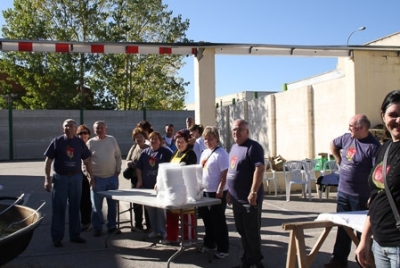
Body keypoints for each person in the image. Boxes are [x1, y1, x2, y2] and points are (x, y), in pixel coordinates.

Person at [324, 114, 381, 268]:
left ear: (362, 127)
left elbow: (377, 173)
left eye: (351, 126)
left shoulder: (374, 146)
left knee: (362, 232)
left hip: (361, 195)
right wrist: (338, 160)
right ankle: (339, 260)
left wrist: (373, 195)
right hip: (343, 192)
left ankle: (365, 262)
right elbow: (333, 144)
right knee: (342, 227)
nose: (349, 128)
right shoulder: (347, 138)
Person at [356, 90, 400, 268]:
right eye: (393, 115)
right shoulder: (385, 149)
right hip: (380, 243)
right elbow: (376, 197)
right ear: (383, 116)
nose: (398, 120)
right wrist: (364, 239)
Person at [44, 119, 93, 247]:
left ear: (75, 128)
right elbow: (48, 161)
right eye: (66, 126)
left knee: (75, 207)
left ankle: (75, 235)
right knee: (59, 207)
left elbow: (87, 161)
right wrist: (47, 179)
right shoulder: (57, 142)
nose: (68, 128)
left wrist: (92, 177)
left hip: (76, 178)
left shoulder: (79, 143)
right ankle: (57, 237)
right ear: (63, 128)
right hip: (60, 178)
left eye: (71, 126)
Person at [227, 119, 265, 268]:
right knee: (242, 231)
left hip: (249, 200)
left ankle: (256, 262)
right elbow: (232, 171)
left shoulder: (253, 147)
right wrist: (229, 192)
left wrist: (253, 192)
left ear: (247, 132)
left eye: (239, 129)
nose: (236, 132)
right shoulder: (234, 148)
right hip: (236, 199)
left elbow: (260, 168)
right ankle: (247, 261)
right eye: (234, 130)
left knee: (252, 233)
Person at [198, 126, 230, 259]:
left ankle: (223, 248)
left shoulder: (221, 153)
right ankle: (209, 243)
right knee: (207, 219)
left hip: (216, 192)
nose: (208, 141)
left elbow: (225, 172)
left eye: (210, 139)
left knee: (218, 221)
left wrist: (220, 189)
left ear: (216, 139)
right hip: (205, 191)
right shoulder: (205, 152)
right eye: (205, 139)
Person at [86, 120, 122, 237]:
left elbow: (118, 156)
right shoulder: (90, 143)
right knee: (96, 206)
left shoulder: (112, 140)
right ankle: (97, 227)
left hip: (112, 178)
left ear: (106, 129)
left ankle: (112, 226)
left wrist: (118, 169)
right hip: (97, 179)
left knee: (112, 205)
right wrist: (89, 176)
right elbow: (85, 162)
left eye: (101, 128)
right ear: (94, 130)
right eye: (97, 128)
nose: (99, 130)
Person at [163, 129, 197, 245]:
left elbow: (189, 173)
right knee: (171, 213)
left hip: (185, 190)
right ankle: (172, 237)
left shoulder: (191, 154)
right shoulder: (174, 153)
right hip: (173, 190)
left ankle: (189, 239)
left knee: (186, 215)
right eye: (177, 142)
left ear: (187, 142)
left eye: (182, 141)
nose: (179, 144)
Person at [136, 131, 172, 239]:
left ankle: (163, 231)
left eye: (156, 139)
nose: (153, 141)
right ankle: (155, 230)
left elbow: (171, 167)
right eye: (151, 139)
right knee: (150, 209)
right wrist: (139, 180)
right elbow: (139, 167)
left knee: (160, 209)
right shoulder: (145, 152)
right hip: (147, 185)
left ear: (160, 141)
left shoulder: (165, 152)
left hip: (161, 187)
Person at [125, 127, 151, 231]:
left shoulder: (148, 149)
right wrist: (131, 164)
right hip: (134, 178)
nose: (139, 139)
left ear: (145, 138)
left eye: (140, 136)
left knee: (147, 203)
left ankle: (149, 225)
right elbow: (127, 160)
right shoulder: (133, 148)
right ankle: (138, 224)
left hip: (145, 179)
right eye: (136, 137)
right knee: (136, 203)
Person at [76, 124, 93, 231]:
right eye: (80, 133)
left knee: (88, 200)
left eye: (85, 133)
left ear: (89, 135)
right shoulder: (75, 144)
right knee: (80, 200)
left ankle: (88, 222)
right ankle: (82, 222)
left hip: (91, 175)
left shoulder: (92, 144)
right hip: (78, 175)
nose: (83, 135)